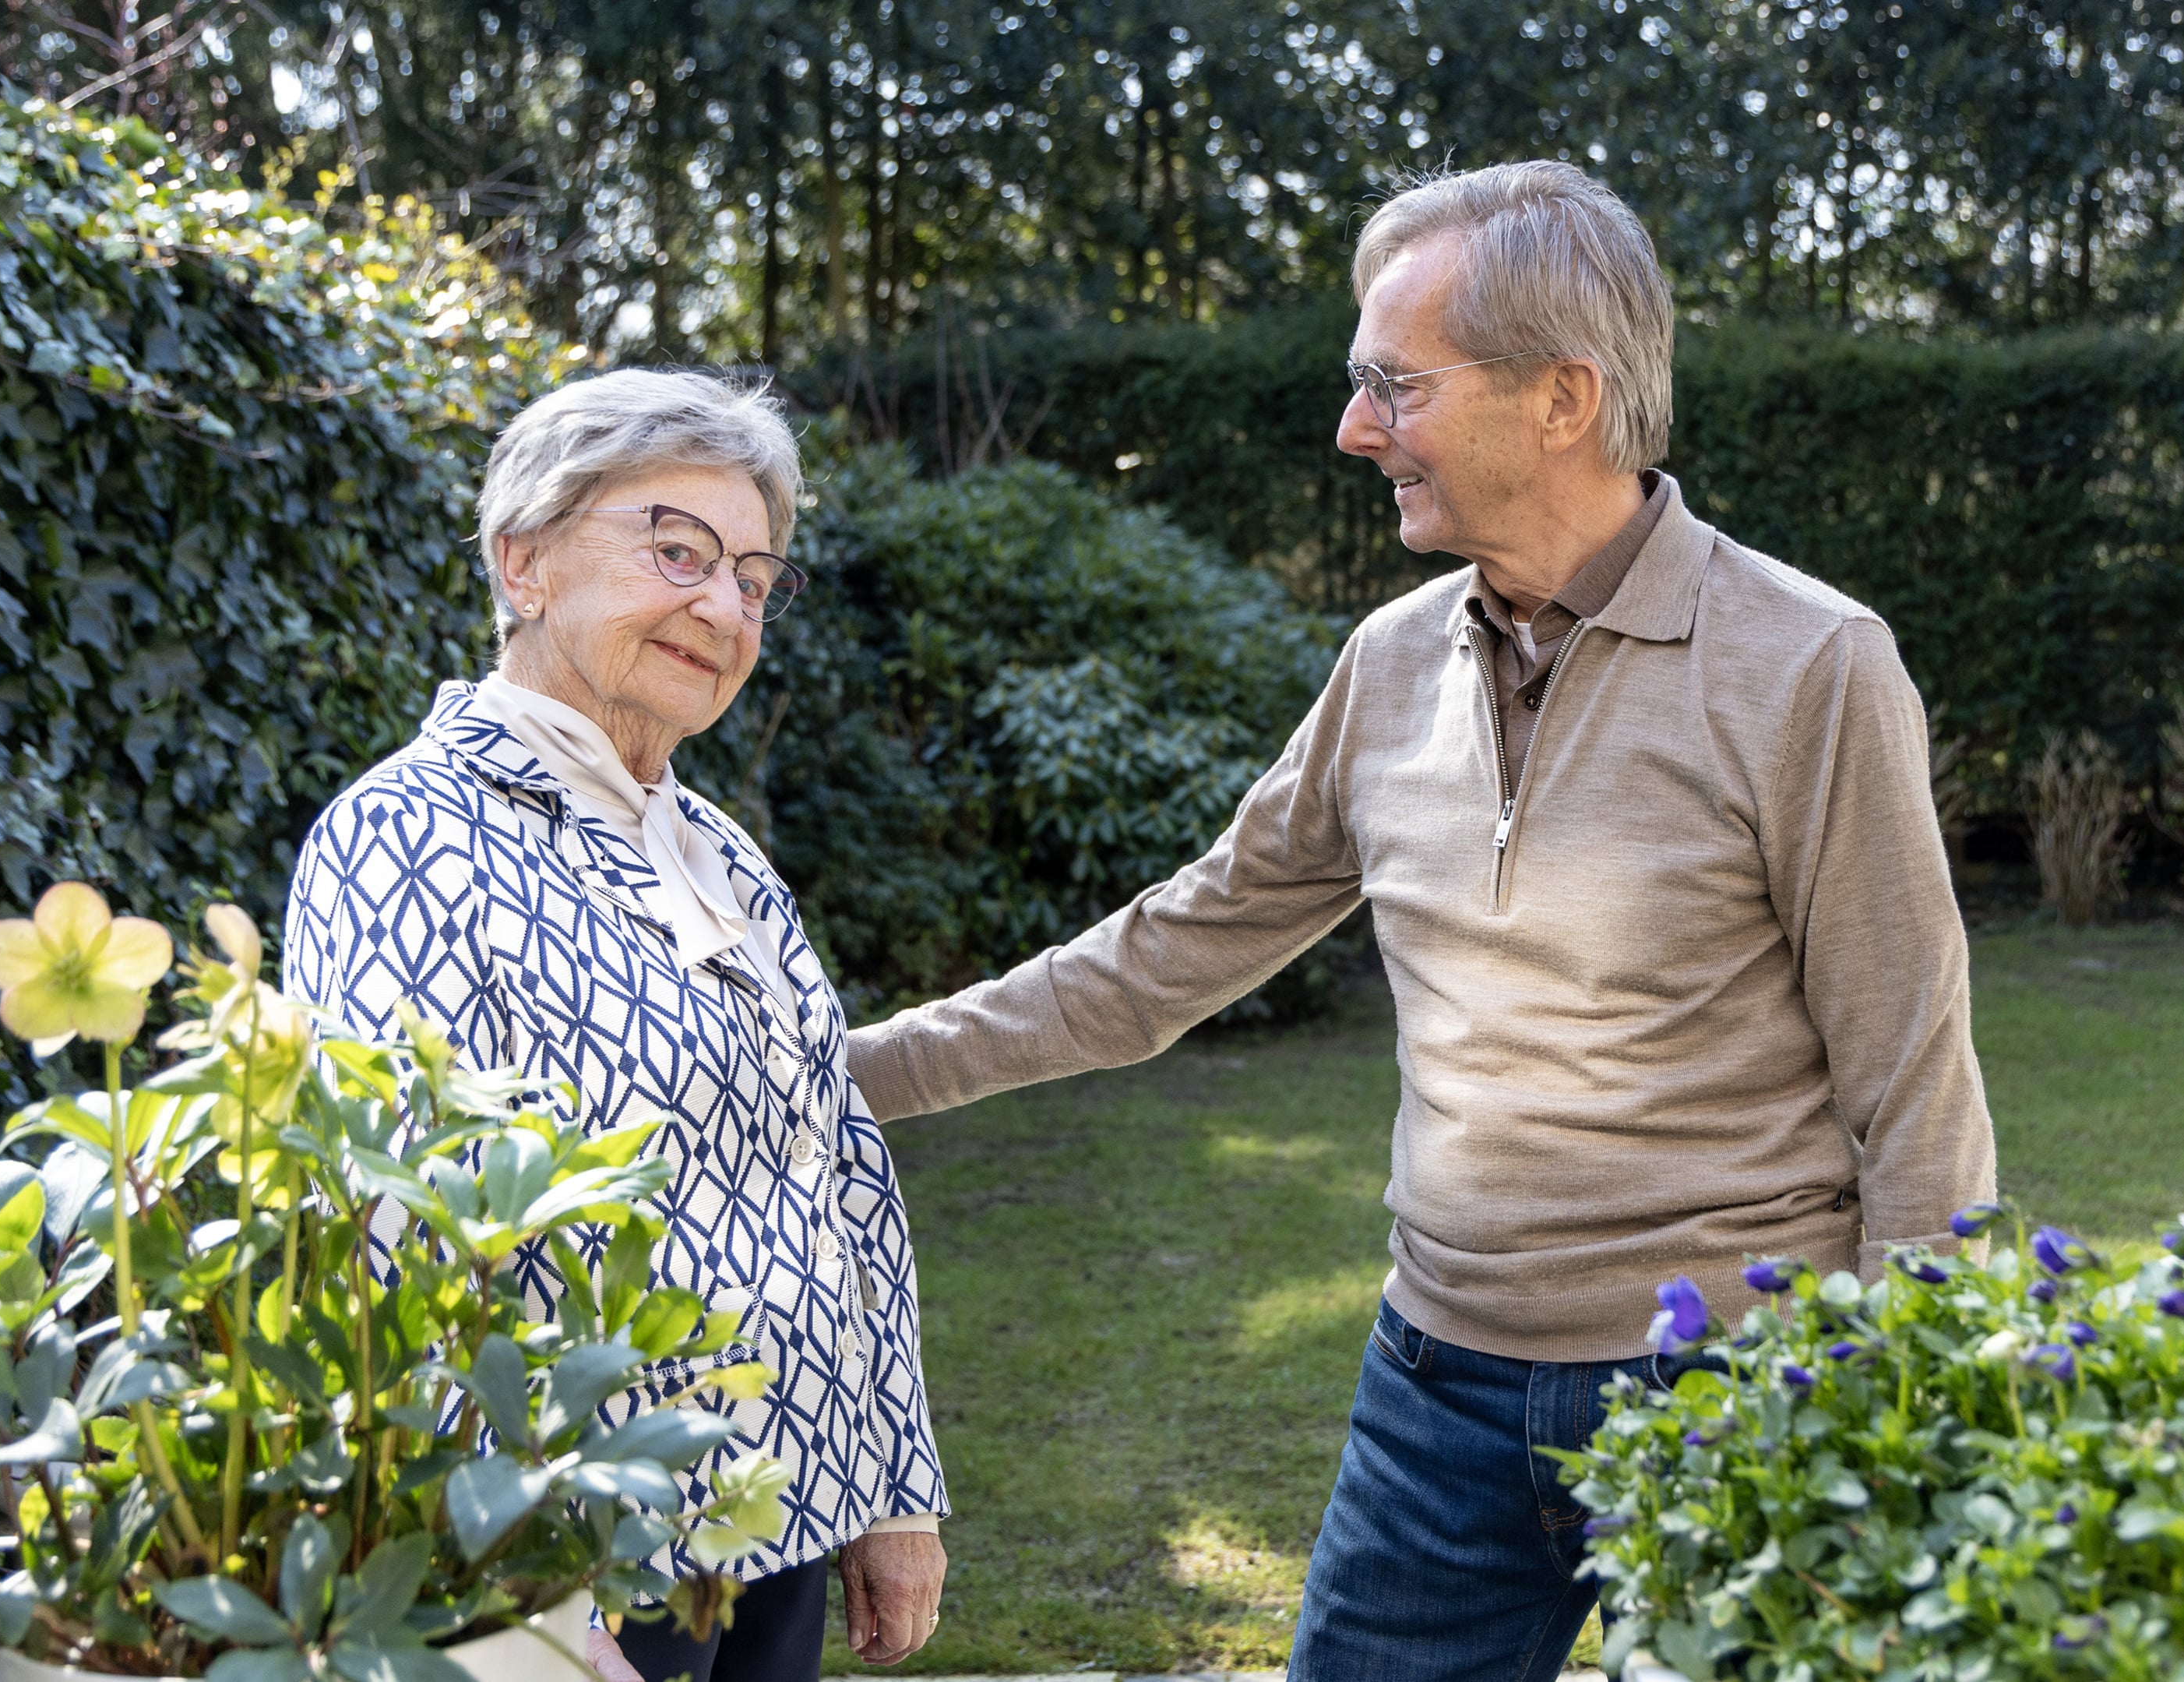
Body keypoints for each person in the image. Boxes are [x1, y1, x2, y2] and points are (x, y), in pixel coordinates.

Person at [844, 161, 1996, 1680]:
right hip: (1437, 1390)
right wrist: (839, 1072)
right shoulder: (1390, 669)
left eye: (1396, 385)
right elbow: (1165, 956)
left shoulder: (1808, 667)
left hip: (1730, 1387)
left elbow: (1912, 1081)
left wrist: (1903, 1410)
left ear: (1561, 398)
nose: (1354, 429)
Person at [284, 369, 946, 1681]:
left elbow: (833, 1163)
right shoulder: (405, 836)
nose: (724, 605)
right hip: (585, 1561)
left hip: (781, 1518)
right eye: (677, 550)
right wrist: (520, 1605)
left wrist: (890, 1484)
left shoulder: (718, 851)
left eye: (755, 576)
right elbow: (384, 1236)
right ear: (523, 560)